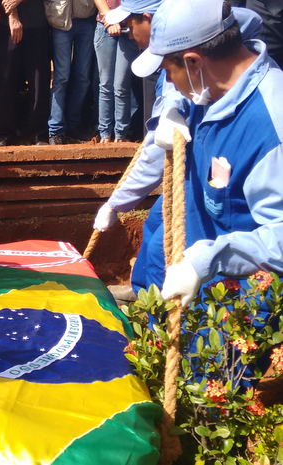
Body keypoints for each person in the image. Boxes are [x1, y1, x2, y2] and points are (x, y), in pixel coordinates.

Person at [92, 0, 262, 302]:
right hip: (201, 169)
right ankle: (146, 295)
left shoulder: (262, 119)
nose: (129, 32)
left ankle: (160, 310)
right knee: (157, 222)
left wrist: (117, 203)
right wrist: (175, 106)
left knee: (165, 250)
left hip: (215, 183)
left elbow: (155, 156)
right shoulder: (198, 65)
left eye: (132, 25)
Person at [127, 0, 283, 319]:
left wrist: (208, 259)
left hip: (243, 322)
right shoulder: (212, 88)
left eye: (168, 73)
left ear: (194, 62)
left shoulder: (270, 128)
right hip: (202, 302)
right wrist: (171, 109)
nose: (168, 84)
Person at [0, 0, 51, 146]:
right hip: (6, 24)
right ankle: (5, 134)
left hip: (38, 22)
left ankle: (39, 134)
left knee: (39, 82)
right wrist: (12, 14)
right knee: (6, 80)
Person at [45, 0, 97, 146]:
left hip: (86, 18)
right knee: (61, 77)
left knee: (83, 78)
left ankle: (73, 125)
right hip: (59, 18)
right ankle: (55, 129)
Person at [93, 0, 139, 144]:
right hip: (105, 27)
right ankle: (105, 134)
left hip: (130, 29)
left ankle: (121, 135)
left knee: (121, 85)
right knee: (105, 84)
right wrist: (110, 19)